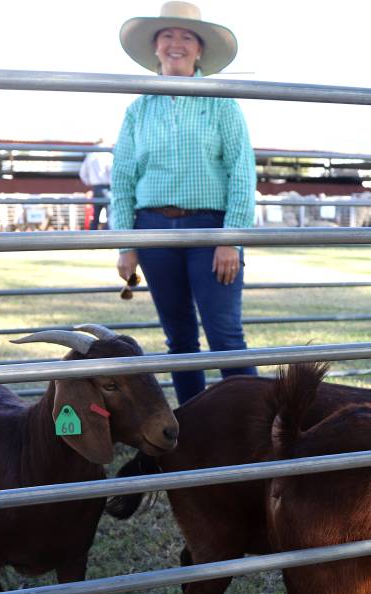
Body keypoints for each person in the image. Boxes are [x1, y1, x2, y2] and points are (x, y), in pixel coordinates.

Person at [111, 1, 257, 404]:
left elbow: (242, 171)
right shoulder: (138, 109)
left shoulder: (221, 103)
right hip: (153, 228)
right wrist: (126, 244)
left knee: (225, 333)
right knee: (179, 338)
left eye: (186, 36)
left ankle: (256, 425)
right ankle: (192, 424)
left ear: (199, 49)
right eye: (168, 35)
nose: (176, 43)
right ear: (155, 47)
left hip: (211, 229)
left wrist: (231, 238)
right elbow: (122, 178)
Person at [78, 142, 113, 230]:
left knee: (96, 216)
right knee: (110, 215)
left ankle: (91, 238)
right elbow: (112, 171)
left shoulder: (90, 156)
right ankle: (107, 237)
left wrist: (89, 182)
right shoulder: (108, 155)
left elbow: (82, 173)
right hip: (107, 188)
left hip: (95, 188)